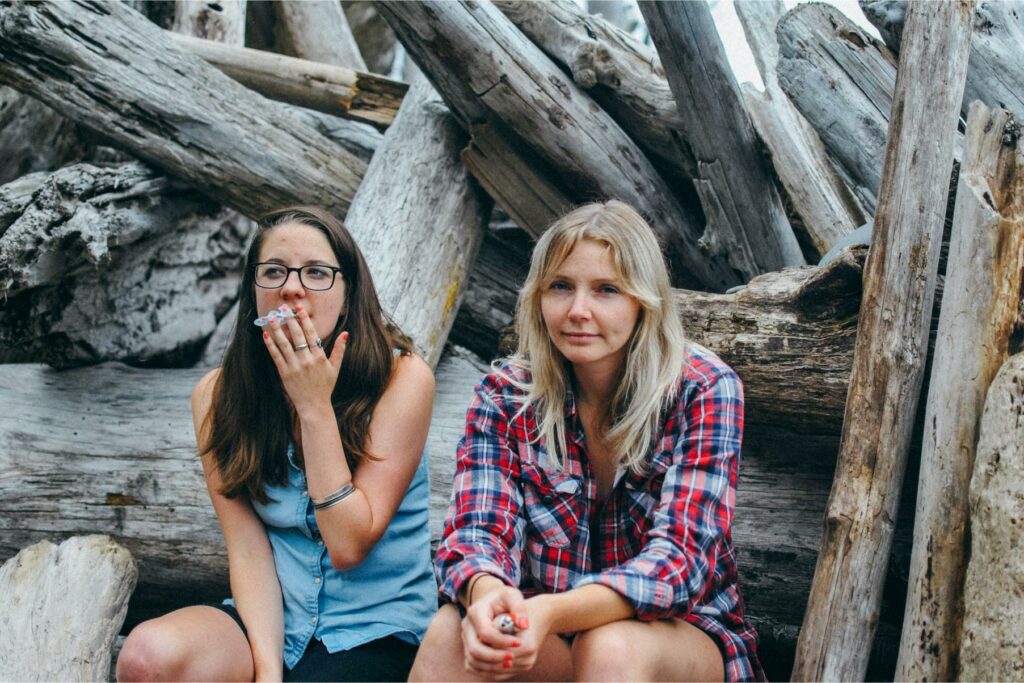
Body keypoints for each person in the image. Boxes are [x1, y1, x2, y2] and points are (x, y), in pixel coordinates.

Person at [410, 200, 764, 682]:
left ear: (644, 300)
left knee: (609, 646)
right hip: (547, 635)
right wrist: (487, 593)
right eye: (560, 286)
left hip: (676, 639)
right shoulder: (505, 396)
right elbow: (477, 532)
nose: (578, 311)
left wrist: (552, 613)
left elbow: (679, 564)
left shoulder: (702, 388)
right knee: (452, 632)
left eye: (606, 290)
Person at [117, 207, 437, 682]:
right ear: (254, 292)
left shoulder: (402, 379)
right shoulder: (216, 396)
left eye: (316, 272)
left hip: (376, 629)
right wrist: (267, 673)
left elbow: (349, 544)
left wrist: (314, 407)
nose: (292, 287)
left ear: (349, 295)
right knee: (147, 656)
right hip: (271, 622)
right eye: (273, 272)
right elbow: (248, 551)